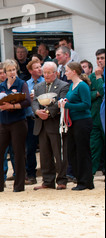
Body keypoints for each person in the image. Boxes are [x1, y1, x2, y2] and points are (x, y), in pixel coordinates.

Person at [0, 59, 31, 193]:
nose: (12, 72)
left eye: (13, 70)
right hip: (4, 122)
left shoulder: (21, 83)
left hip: (18, 121)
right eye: (9, 70)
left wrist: (12, 105)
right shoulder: (1, 86)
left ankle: (19, 186)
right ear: (4, 73)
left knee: (18, 153)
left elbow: (27, 101)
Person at [32, 62, 70, 190]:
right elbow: (34, 101)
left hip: (55, 123)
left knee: (59, 153)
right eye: (45, 73)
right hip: (41, 124)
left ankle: (62, 180)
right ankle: (47, 181)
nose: (46, 75)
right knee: (44, 154)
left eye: (49, 73)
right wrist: (37, 112)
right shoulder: (38, 86)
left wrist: (47, 113)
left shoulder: (63, 85)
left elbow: (62, 101)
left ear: (56, 73)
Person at [59, 62, 94, 190]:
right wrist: (64, 103)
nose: (65, 73)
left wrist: (67, 106)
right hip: (73, 122)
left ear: (74, 71)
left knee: (82, 151)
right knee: (72, 152)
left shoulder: (82, 86)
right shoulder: (72, 86)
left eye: (67, 70)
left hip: (82, 121)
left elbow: (86, 104)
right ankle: (80, 179)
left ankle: (86, 181)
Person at [24, 59, 45, 185]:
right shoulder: (26, 84)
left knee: (46, 147)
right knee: (30, 148)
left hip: (44, 118)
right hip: (30, 119)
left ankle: (49, 173)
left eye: (40, 66)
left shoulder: (46, 82)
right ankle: (31, 175)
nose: (39, 69)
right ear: (31, 70)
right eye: (36, 67)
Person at [89, 49, 105, 175]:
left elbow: (104, 91)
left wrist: (100, 78)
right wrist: (96, 94)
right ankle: (91, 173)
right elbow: (86, 95)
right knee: (94, 146)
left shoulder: (98, 76)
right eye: (98, 58)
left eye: (102, 58)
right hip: (95, 117)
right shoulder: (92, 76)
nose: (100, 61)